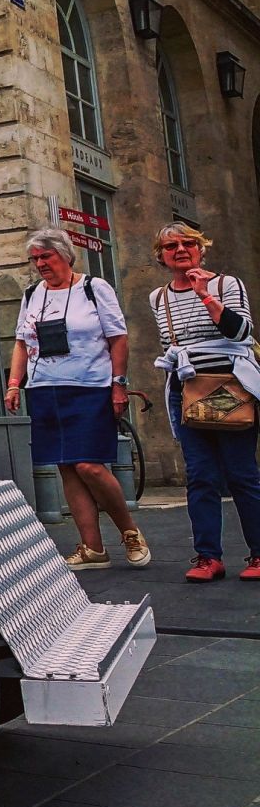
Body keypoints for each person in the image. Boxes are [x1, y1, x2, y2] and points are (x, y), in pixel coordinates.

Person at [4, 230, 144, 570]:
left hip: (89, 387)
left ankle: (129, 531)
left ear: (66, 255)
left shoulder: (94, 289)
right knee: (67, 468)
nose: (40, 264)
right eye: (35, 259)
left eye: (46, 257)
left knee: (89, 466)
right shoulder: (32, 294)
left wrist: (119, 385)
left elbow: (118, 338)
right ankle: (93, 549)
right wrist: (13, 383)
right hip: (44, 389)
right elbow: (22, 342)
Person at [147, 222, 260, 582]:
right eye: (170, 246)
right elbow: (170, 346)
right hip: (188, 389)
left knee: (241, 474)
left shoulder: (227, 284)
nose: (180, 250)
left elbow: (241, 332)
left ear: (201, 248)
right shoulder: (158, 298)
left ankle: (258, 554)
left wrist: (205, 295)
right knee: (200, 476)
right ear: (161, 256)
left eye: (188, 243)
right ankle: (207, 557)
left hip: (229, 387)